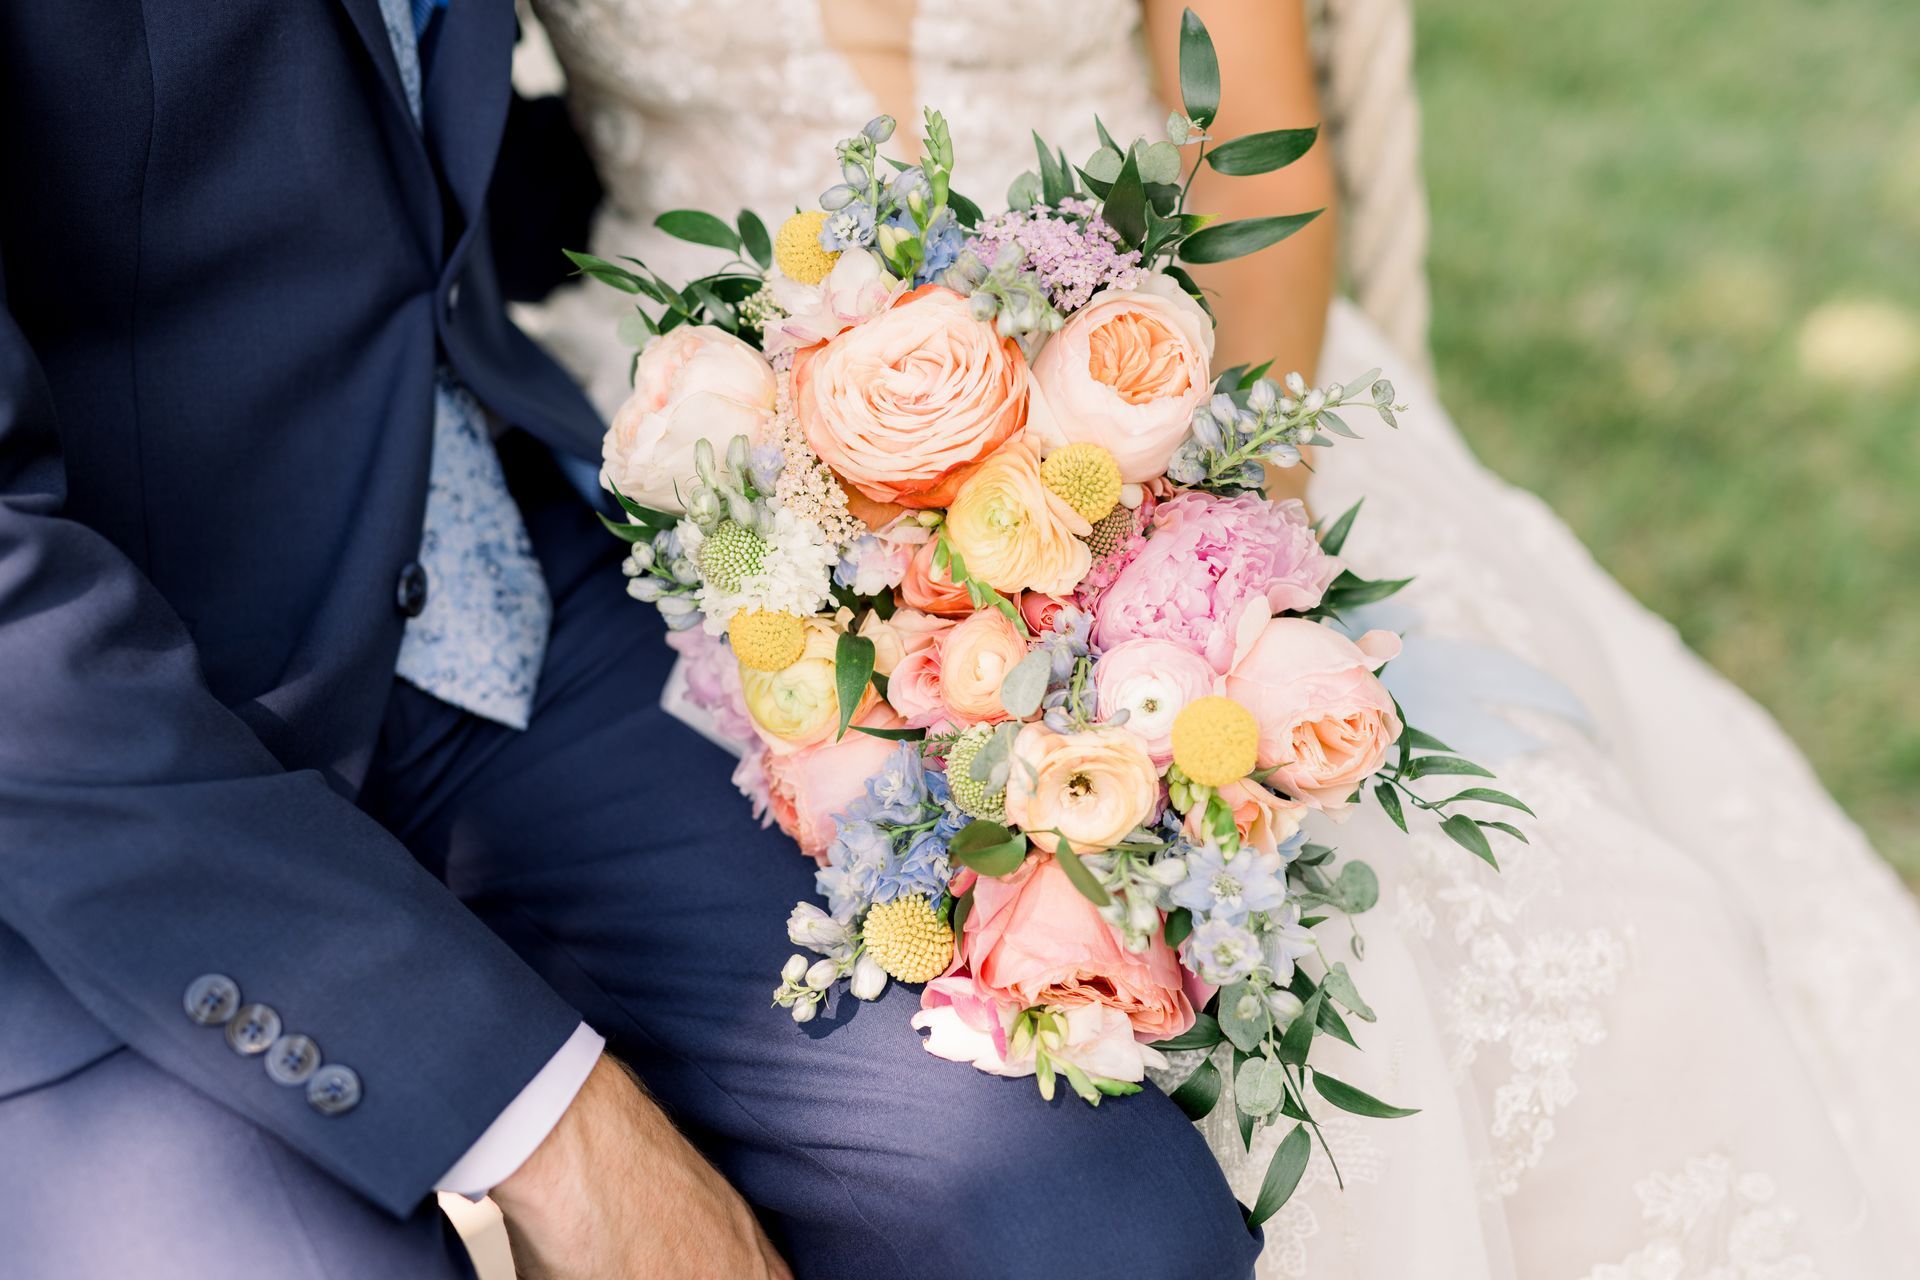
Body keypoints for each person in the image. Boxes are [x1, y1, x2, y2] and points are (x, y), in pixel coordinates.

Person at [517, 0, 1920, 1275]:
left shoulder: (1207, 456)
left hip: (1187, 379)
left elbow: (1257, 137)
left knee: (1583, 921)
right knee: (1015, 1011)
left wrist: (1205, 554)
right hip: (739, 465)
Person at [1, 2, 1260, 1277]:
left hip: (502, 585)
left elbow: (337, 131)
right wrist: (555, 1123)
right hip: (100, 756)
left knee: (1095, 1229)